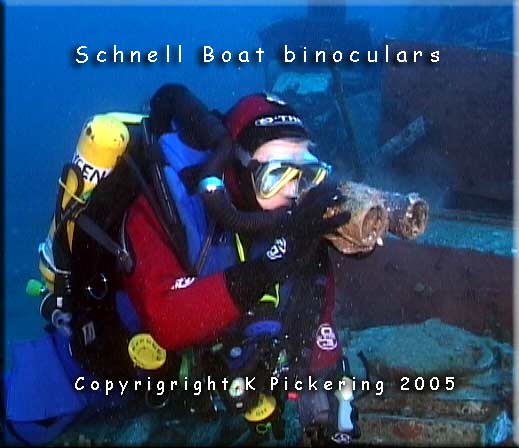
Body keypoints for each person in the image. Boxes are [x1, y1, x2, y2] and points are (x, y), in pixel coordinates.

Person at [3, 84, 358, 446]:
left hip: (193, 376)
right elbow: (168, 320)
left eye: (306, 175)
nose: (293, 192)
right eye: (276, 175)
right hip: (109, 356)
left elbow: (317, 306)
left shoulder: (292, 223)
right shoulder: (167, 201)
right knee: (23, 417)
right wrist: (275, 262)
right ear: (234, 167)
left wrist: (330, 404)